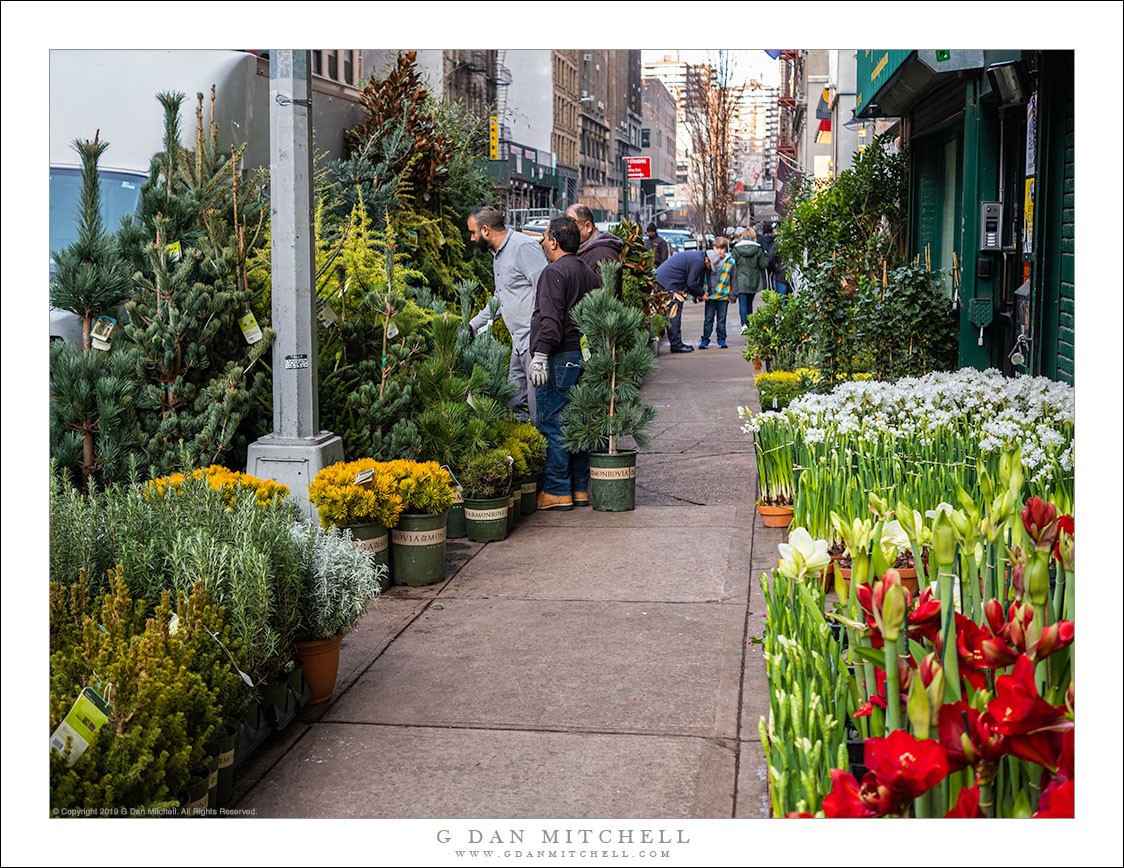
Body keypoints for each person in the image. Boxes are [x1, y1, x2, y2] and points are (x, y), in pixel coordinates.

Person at [528, 215, 598, 510]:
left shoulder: (553, 273)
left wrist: (540, 356)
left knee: (554, 424)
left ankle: (557, 490)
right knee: (580, 422)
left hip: (557, 357)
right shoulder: (589, 273)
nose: (543, 242)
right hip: (583, 357)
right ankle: (580, 489)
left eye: (545, 237)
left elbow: (551, 321)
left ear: (554, 241)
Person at [466, 205, 548, 423]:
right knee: (514, 403)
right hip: (518, 344)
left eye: (473, 232)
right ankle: (529, 451)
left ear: (485, 230)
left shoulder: (522, 247)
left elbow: (546, 291)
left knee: (538, 407)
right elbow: (499, 299)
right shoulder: (498, 255)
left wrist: (543, 346)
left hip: (535, 342)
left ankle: (548, 454)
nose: (472, 239)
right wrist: (472, 325)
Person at [653, 248, 710, 353]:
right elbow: (691, 282)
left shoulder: (697, 256)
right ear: (707, 260)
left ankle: (671, 340)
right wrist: (701, 294)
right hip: (668, 284)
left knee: (665, 313)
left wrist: (697, 294)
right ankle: (676, 345)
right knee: (674, 312)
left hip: (663, 281)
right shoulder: (699, 261)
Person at [564, 203, 624, 296]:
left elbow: (602, 300)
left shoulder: (603, 254)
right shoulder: (582, 249)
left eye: (572, 224)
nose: (567, 231)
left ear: (588, 226)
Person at [731, 226, 770, 333]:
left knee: (742, 303)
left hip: (740, 280)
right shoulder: (758, 248)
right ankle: (749, 322)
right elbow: (763, 264)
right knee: (749, 303)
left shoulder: (736, 249)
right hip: (754, 280)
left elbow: (732, 264)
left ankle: (744, 324)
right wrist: (766, 256)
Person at [699, 237, 735, 349]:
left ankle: (721, 339)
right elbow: (701, 276)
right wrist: (700, 293)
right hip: (709, 296)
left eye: (722, 248)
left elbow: (734, 279)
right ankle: (705, 339)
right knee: (708, 319)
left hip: (723, 296)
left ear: (726, 249)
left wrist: (733, 295)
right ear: (713, 248)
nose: (719, 251)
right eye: (717, 248)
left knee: (721, 320)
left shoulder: (730, 262)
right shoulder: (707, 260)